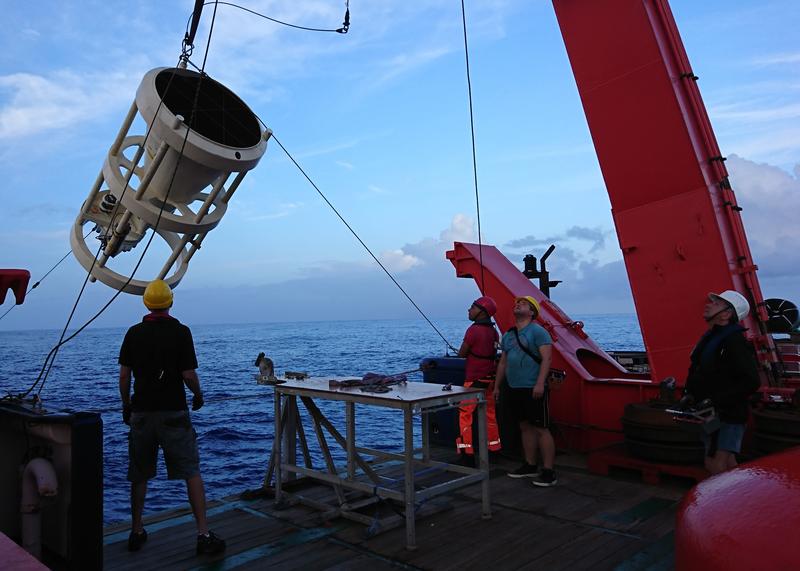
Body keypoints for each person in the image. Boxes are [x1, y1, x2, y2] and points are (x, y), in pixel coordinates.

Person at [119, 279, 226, 555]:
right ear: (170, 302)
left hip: (141, 412)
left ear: (146, 304)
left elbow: (124, 375)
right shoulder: (181, 332)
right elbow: (188, 375)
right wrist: (199, 396)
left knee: (139, 474)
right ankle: (203, 534)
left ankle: (136, 530)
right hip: (173, 413)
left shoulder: (133, 333)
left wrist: (126, 405)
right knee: (191, 471)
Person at [683, 290, 760, 475]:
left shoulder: (733, 341)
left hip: (727, 414)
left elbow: (751, 381)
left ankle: (720, 502)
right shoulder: (714, 337)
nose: (708, 304)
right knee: (728, 460)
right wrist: (690, 395)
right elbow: (700, 370)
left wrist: (716, 401)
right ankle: (738, 501)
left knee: (714, 462)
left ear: (726, 314)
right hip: (712, 413)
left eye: (716, 303)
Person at [494, 295, 557, 487]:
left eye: (523, 304)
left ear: (532, 312)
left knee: (541, 428)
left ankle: (548, 471)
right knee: (524, 426)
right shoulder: (509, 334)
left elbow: (546, 359)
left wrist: (539, 383)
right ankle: (530, 465)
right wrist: (497, 386)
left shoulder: (538, 332)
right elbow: (503, 362)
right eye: (517, 303)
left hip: (532, 387)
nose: (518, 305)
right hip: (513, 386)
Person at [455, 296, 502, 465]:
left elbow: (462, 354)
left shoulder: (473, 330)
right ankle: (494, 450)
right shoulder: (494, 332)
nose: (469, 310)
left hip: (474, 380)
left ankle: (467, 455)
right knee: (490, 414)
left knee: (465, 413)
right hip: (490, 380)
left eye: (472, 307)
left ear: (481, 312)